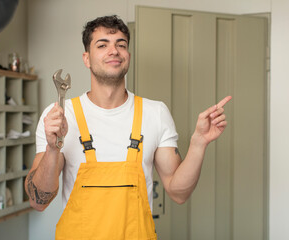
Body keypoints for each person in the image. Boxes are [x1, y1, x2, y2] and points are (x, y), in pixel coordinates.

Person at [25, 15, 231, 239]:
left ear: (128, 56)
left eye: (120, 44)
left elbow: (178, 192)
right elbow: (38, 201)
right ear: (87, 58)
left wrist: (198, 143)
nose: (113, 50)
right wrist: (53, 148)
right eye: (102, 45)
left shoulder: (155, 113)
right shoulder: (60, 117)